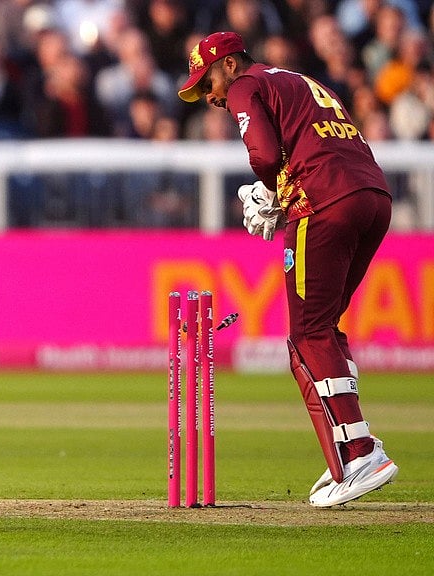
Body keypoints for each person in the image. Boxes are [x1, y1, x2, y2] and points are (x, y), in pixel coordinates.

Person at [178, 31, 398, 507]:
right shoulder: (298, 80)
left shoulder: (245, 84)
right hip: (372, 198)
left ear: (231, 64)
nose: (211, 96)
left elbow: (263, 154)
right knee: (325, 330)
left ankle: (359, 452)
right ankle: (349, 445)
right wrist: (281, 191)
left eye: (209, 81)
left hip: (323, 204)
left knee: (305, 336)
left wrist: (270, 190)